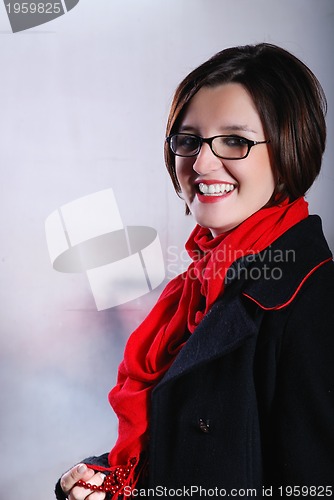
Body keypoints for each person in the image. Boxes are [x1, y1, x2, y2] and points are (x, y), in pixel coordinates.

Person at [56, 43, 334, 500]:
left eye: (234, 141)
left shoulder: (312, 299)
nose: (201, 165)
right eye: (189, 141)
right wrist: (107, 479)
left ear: (289, 150)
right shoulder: (202, 285)